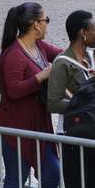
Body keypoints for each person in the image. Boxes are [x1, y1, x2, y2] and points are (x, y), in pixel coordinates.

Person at [0, 2, 61, 188]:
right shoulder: (14, 54)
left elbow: (61, 56)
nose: (47, 23)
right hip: (16, 127)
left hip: (38, 124)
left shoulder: (38, 45)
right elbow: (14, 90)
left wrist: (81, 60)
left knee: (53, 171)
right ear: (35, 24)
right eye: (45, 19)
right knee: (17, 178)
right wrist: (43, 75)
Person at [47, 10, 95, 188]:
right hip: (72, 134)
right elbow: (53, 102)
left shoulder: (91, 57)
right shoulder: (62, 63)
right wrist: (82, 105)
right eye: (94, 30)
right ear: (83, 33)